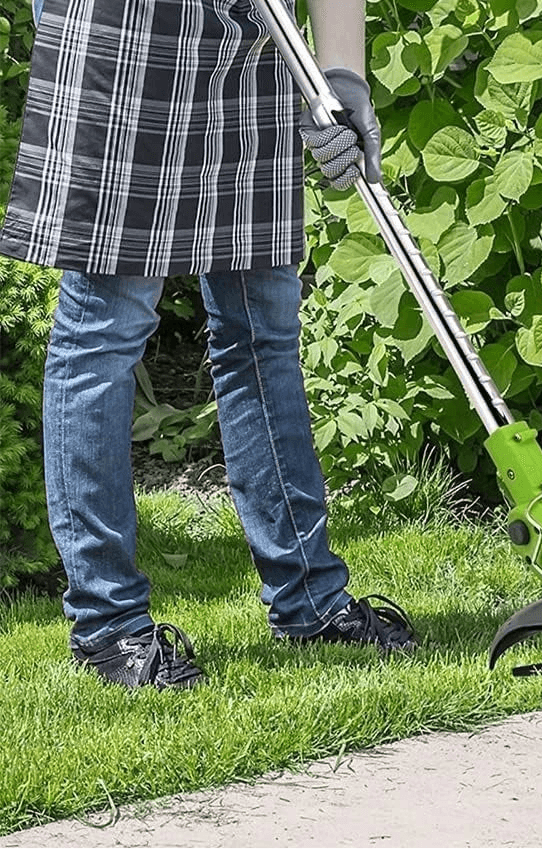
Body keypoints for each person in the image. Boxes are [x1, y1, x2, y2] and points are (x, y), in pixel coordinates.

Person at [0, 0, 415, 690]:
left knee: (264, 327)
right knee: (108, 324)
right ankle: (109, 626)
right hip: (124, 28)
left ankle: (309, 600)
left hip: (255, 41)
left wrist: (342, 74)